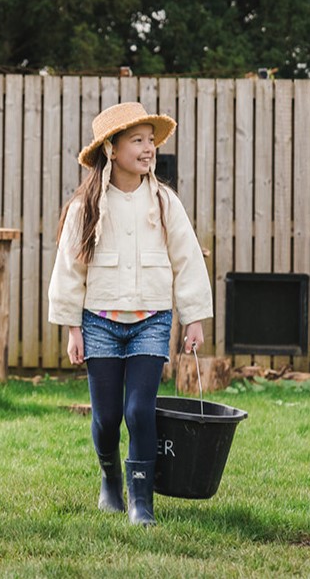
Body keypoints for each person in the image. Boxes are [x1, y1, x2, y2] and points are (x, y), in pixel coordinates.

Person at [48, 102, 212, 526]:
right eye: (137, 140)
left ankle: (142, 501)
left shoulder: (164, 203)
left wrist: (193, 317)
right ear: (111, 148)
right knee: (106, 418)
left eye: (150, 140)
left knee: (140, 411)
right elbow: (69, 269)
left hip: (151, 322)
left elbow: (188, 259)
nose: (148, 148)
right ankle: (109, 479)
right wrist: (72, 329)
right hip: (99, 323)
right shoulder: (86, 207)